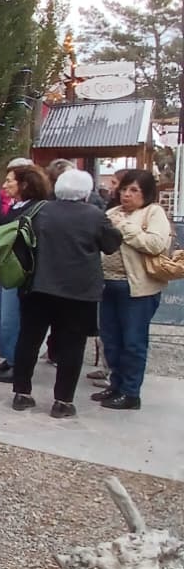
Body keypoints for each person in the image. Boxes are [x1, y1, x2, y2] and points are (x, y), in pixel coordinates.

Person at [8, 170, 121, 418]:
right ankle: (63, 401)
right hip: (78, 291)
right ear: (85, 192)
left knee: (29, 339)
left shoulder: (39, 210)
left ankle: (22, 393)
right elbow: (112, 245)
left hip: (38, 286)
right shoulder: (95, 215)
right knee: (72, 345)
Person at [93, 169, 172, 411]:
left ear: (146, 193)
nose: (126, 194)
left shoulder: (153, 213)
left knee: (133, 341)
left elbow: (156, 244)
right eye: (124, 189)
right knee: (111, 339)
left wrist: (125, 228)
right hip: (107, 285)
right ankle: (115, 384)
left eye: (134, 190)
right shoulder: (111, 212)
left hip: (136, 289)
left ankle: (131, 392)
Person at [0, 163, 50, 383]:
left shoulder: (38, 208)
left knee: (11, 319)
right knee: (0, 317)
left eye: (9, 181)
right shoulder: (16, 205)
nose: (4, 186)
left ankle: (17, 363)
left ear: (24, 184)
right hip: (6, 266)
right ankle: (9, 357)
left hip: (20, 270)